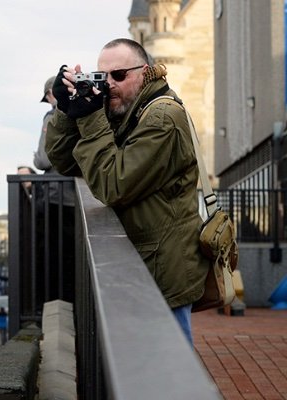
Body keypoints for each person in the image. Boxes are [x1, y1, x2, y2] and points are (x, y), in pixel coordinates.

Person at [45, 38, 210, 346]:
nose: (109, 85)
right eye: (101, 77)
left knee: (169, 372)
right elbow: (64, 162)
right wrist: (66, 111)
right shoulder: (128, 111)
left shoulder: (161, 117)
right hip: (142, 264)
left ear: (144, 72)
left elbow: (112, 185)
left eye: (118, 75)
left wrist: (91, 118)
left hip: (163, 271)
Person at [33, 77, 76, 304]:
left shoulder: (52, 116)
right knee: (71, 258)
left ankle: (53, 303)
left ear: (52, 93)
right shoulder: (80, 110)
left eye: (48, 97)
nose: (48, 101)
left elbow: (42, 159)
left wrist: (34, 158)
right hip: (75, 197)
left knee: (52, 257)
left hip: (56, 198)